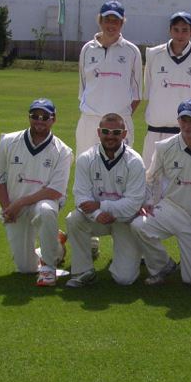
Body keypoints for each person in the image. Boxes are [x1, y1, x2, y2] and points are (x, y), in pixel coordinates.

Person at [131, 100, 191, 286]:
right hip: (171, 208)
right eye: (183, 120)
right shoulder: (164, 146)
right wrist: (147, 201)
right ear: (178, 121)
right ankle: (162, 265)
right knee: (139, 225)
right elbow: (150, 177)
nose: (187, 125)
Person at [0, 98, 73, 286]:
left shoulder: (63, 151)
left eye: (45, 117)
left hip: (42, 203)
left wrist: (19, 203)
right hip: (14, 208)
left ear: (54, 119)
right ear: (29, 117)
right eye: (35, 116)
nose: (39, 120)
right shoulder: (8, 142)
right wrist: (7, 208)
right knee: (26, 268)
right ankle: (57, 245)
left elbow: (54, 191)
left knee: (46, 210)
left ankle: (48, 269)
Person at [65, 113, 146, 287]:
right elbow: (81, 196)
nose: (110, 136)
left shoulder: (135, 161)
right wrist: (98, 213)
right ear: (98, 132)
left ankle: (136, 253)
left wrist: (102, 206)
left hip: (124, 220)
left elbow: (134, 203)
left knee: (125, 279)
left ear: (124, 134)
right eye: (106, 131)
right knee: (73, 219)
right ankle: (83, 270)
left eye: (116, 132)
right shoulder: (86, 159)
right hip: (97, 218)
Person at [141, 11, 191, 167]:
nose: (180, 34)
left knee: (181, 183)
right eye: (176, 29)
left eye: (185, 30)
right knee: (150, 181)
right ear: (170, 30)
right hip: (155, 131)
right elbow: (149, 90)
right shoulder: (153, 54)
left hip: (185, 133)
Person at [75, 0, 143, 157]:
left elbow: (137, 94)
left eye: (116, 21)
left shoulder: (132, 51)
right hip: (89, 122)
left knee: (119, 173)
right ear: (100, 21)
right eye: (107, 20)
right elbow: (84, 88)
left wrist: (117, 119)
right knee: (85, 170)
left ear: (122, 23)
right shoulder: (87, 49)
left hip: (120, 124)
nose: (111, 25)